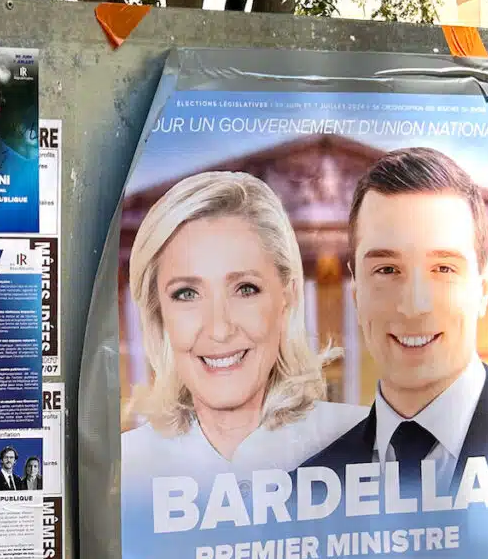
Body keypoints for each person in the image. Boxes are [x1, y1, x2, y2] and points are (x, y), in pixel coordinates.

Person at [122, 171, 365, 483]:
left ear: (287, 297)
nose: (219, 329)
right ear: (159, 314)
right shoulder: (125, 471)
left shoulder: (367, 446)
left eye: (245, 289)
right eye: (187, 293)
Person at [303, 148, 488, 493]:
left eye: (443, 268)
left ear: (484, 285)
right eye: (387, 270)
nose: (415, 306)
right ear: (356, 291)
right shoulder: (305, 489)